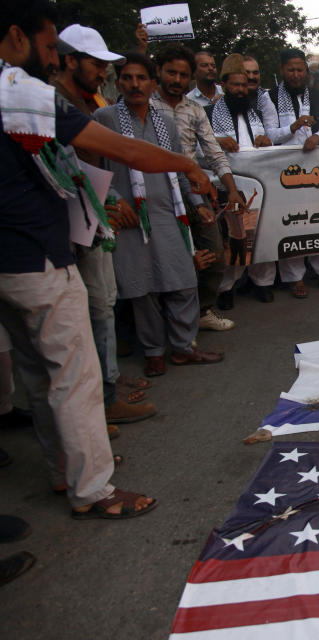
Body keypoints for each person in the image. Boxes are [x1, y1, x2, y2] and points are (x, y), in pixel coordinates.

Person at [0, 0, 213, 519]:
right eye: (49, 47)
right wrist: (187, 164)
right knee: (74, 375)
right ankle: (93, 489)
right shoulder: (19, 92)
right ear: (15, 37)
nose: (52, 60)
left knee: (36, 372)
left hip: (8, 259)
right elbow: (124, 151)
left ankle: (63, 470)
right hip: (37, 257)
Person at [95, 52, 224, 378]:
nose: (134, 85)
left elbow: (178, 168)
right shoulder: (104, 118)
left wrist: (196, 202)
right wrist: (112, 200)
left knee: (182, 281)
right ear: (119, 82)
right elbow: (94, 168)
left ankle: (182, 347)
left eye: (141, 79)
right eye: (128, 78)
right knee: (143, 289)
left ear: (152, 84)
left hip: (168, 212)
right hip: (128, 217)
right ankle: (153, 351)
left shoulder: (165, 121)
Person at [53, 24, 157, 426]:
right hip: (73, 220)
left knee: (101, 305)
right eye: (97, 64)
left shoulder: (81, 101)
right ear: (69, 61)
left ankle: (105, 385)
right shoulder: (59, 104)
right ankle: (101, 399)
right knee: (93, 309)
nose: (103, 73)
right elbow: (73, 164)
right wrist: (109, 200)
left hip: (90, 216)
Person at [151, 43, 244, 332]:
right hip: (154, 191)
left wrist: (232, 189)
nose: (177, 80)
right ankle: (158, 324)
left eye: (183, 75)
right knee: (166, 258)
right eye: (171, 73)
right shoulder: (147, 105)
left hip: (193, 191)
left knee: (214, 253)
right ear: (158, 72)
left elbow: (214, 152)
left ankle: (203, 310)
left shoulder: (194, 109)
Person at [206, 54, 277, 305]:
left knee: (262, 235)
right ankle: (226, 289)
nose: (239, 90)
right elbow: (193, 149)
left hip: (260, 184)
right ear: (223, 86)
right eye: (234, 85)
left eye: (243, 85)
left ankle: (263, 283)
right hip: (229, 185)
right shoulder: (208, 112)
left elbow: (269, 141)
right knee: (234, 238)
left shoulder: (254, 111)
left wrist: (265, 140)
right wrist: (216, 141)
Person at [268, 48, 319, 296]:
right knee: (292, 222)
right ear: (282, 70)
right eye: (291, 69)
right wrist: (294, 126)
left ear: (306, 71)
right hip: (285, 172)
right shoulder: (271, 97)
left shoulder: (317, 95)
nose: (296, 74)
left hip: (317, 169)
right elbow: (269, 135)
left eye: (300, 69)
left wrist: (318, 137)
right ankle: (295, 278)